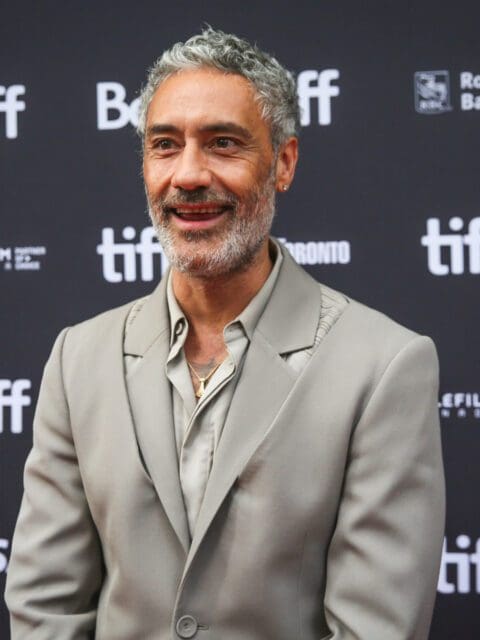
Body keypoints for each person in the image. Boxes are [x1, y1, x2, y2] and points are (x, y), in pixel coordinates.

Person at [6, 28, 445, 640]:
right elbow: (46, 608)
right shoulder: (77, 359)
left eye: (223, 144)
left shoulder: (385, 366)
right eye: (165, 145)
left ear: (283, 163)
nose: (188, 174)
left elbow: (376, 629)